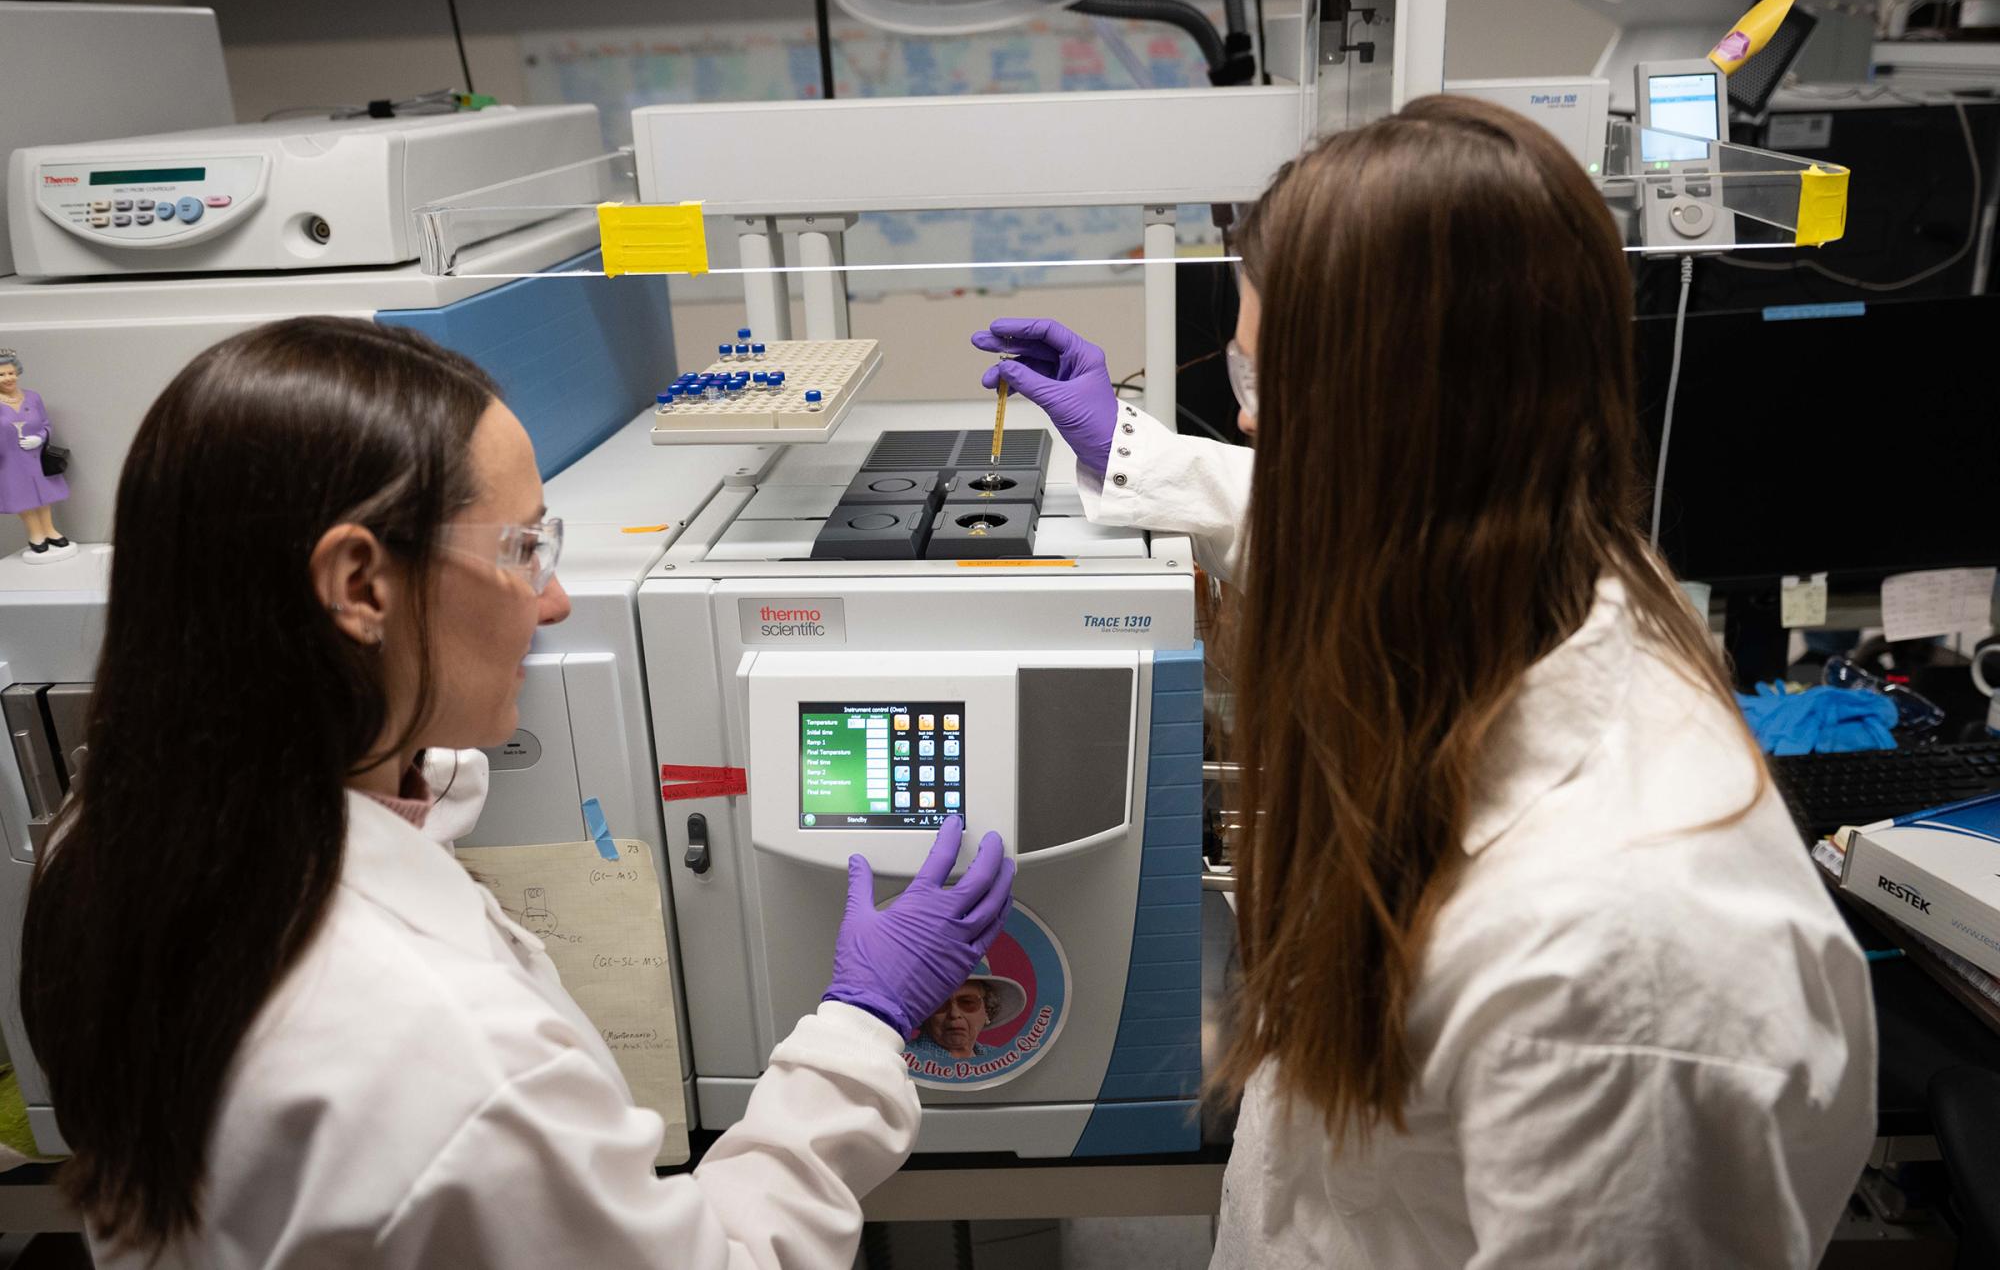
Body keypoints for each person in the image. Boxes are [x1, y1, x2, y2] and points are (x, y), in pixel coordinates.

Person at [973, 96, 1874, 1267]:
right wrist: (1129, 450)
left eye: (1263, 387)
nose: (1243, 416)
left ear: (1392, 433)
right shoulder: (1551, 561)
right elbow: (1332, 524)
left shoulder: (1614, 959)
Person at [21, 317, 1015, 1269]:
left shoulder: (101, 848)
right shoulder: (459, 1059)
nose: (556, 600)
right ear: (359, 586)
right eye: (522, 548)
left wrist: (415, 763)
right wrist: (859, 1027)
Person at [0, 349, 72, 563]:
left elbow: (46, 425)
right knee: (23, 497)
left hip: (35, 457)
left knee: (44, 495)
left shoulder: (32, 397)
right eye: (1, 374)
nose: (8, 378)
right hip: (9, 460)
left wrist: (39, 438)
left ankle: (49, 529)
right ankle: (35, 533)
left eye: (11, 373)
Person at [905, 963, 1027, 1064]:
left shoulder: (999, 1059)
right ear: (925, 1015)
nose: (954, 1014)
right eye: (940, 1005)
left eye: (967, 1003)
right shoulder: (903, 1062)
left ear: (987, 1011)